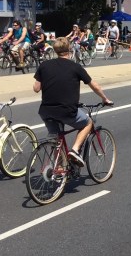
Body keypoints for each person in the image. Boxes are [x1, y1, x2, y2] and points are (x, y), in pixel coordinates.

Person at [33, 37, 113, 167]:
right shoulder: (76, 67)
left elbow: (36, 88)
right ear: (69, 50)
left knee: (56, 139)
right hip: (66, 110)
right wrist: (105, 99)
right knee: (87, 123)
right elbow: (95, 86)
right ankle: (75, 150)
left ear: (55, 50)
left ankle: (58, 171)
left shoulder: (44, 65)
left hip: (46, 111)